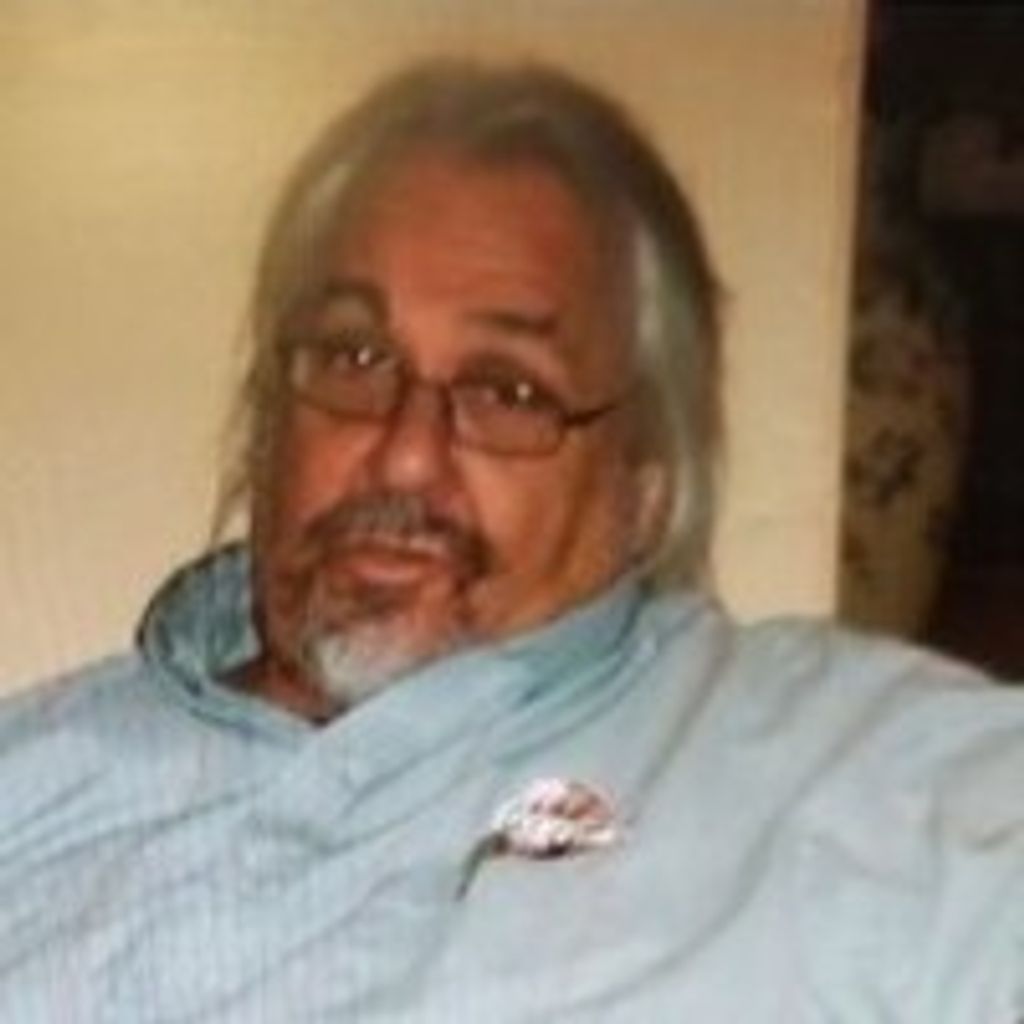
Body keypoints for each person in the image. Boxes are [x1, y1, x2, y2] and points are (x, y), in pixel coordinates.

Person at [0, 58, 1020, 1022]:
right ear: (269, 419)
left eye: (509, 391)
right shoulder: (35, 777)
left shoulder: (859, 785)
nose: (405, 454)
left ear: (644, 487)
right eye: (353, 356)